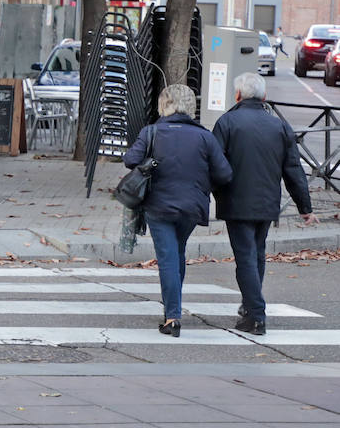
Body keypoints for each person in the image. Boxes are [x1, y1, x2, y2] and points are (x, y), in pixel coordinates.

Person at [123, 83, 232, 337]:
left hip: (158, 206)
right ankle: (172, 307)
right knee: (177, 253)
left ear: (165, 104)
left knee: (168, 259)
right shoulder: (205, 136)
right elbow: (225, 173)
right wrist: (203, 183)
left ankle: (172, 316)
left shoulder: (152, 132)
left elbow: (130, 159)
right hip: (192, 207)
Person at [211, 72, 315, 335]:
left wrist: (211, 193)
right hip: (268, 203)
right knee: (256, 255)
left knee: (245, 258)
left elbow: (213, 165)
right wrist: (305, 207)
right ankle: (249, 306)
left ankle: (256, 314)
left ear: (237, 95)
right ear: (264, 96)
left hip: (236, 202)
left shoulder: (226, 123)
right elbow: (293, 169)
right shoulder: (279, 126)